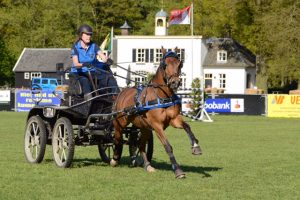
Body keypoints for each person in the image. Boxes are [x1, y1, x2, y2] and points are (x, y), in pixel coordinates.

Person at [70, 24, 118, 97]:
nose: (89, 36)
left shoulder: (93, 45)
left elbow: (102, 56)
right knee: (85, 81)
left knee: (108, 76)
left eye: (90, 35)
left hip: (91, 71)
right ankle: (88, 100)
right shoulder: (75, 47)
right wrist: (83, 64)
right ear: (81, 35)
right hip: (80, 73)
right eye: (87, 34)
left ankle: (115, 95)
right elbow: (76, 64)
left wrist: (107, 60)